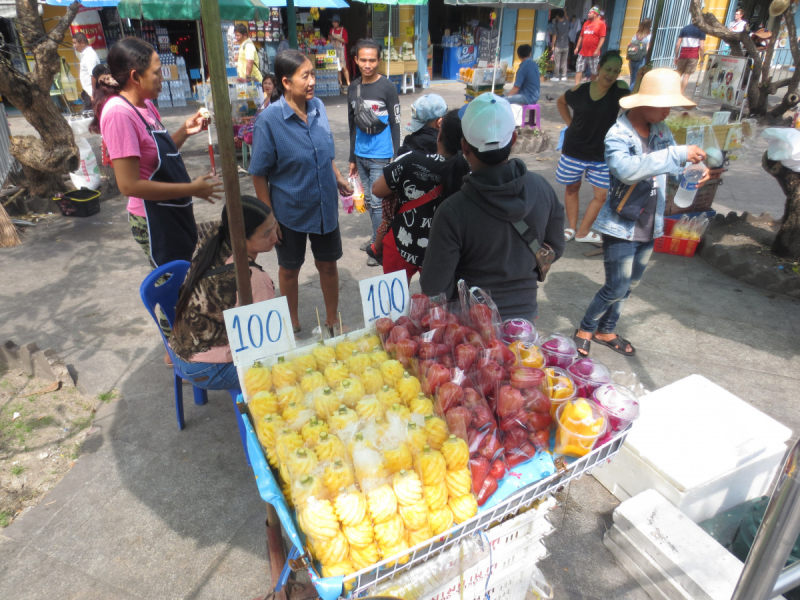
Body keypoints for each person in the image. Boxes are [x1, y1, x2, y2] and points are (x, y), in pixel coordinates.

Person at [572, 69, 709, 357]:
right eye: (663, 105)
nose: (668, 111)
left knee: (630, 284)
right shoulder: (617, 135)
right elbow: (627, 170)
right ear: (642, 103)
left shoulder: (661, 131)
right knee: (616, 285)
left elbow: (670, 166)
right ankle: (585, 328)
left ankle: (606, 329)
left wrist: (692, 169)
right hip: (621, 225)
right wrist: (679, 154)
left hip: (650, 222)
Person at [420, 94, 565, 321]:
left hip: (471, 330)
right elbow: (554, 247)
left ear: (464, 146)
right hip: (524, 318)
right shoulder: (542, 188)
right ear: (514, 138)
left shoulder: (453, 210)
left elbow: (434, 286)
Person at [249, 50, 352, 337]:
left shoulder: (317, 106)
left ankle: (333, 320)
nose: (312, 81)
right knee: (290, 269)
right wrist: (269, 217)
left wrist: (339, 178)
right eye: (305, 76)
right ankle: (291, 322)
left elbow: (325, 153)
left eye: (313, 74)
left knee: (328, 265)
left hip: (324, 206)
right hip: (289, 210)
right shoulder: (269, 121)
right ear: (286, 81)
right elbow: (259, 173)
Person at [170, 197, 279, 389]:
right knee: (286, 373)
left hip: (179, 350)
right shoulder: (252, 278)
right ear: (241, 237)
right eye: (266, 233)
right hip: (206, 368)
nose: (275, 238)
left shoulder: (215, 236)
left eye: (274, 227)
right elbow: (268, 341)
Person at [367, 109, 471, 280]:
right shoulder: (469, 173)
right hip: (441, 250)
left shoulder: (412, 160)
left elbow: (377, 190)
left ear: (439, 135)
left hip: (402, 242)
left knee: (394, 305)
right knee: (438, 303)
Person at [557, 51, 631, 244]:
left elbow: (632, 104)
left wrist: (638, 79)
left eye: (616, 71)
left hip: (600, 153)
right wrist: (569, 123)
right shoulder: (580, 90)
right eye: (608, 69)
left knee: (601, 195)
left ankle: (583, 232)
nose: (611, 74)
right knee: (572, 188)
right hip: (574, 149)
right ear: (599, 68)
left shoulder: (619, 89)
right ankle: (571, 228)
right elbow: (561, 102)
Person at [347, 38, 401, 265]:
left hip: (381, 154)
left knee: (378, 202)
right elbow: (351, 124)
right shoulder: (353, 88)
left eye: (372, 60)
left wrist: (396, 156)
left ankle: (378, 248)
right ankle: (374, 238)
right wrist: (351, 157)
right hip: (360, 154)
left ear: (379, 60)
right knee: (368, 200)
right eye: (363, 60)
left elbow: (397, 122)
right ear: (356, 60)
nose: (367, 65)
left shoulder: (388, 87)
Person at [238, 74, 280, 146]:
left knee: (248, 137)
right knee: (234, 129)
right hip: (257, 126)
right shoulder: (264, 100)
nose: (267, 86)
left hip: (265, 129)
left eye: (269, 84)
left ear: (274, 86)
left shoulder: (275, 101)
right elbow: (256, 117)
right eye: (265, 83)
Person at [574, 7, 607, 86]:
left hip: (593, 52)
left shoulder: (601, 24)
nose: (588, 14)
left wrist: (597, 50)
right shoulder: (586, 23)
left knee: (594, 71)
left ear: (595, 14)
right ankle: (576, 86)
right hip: (583, 52)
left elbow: (602, 39)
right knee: (579, 69)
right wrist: (577, 47)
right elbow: (581, 36)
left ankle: (592, 86)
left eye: (590, 13)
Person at [674, 22, 706, 93]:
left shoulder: (684, 29)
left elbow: (677, 44)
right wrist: (702, 58)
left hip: (683, 54)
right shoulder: (702, 31)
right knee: (686, 76)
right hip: (693, 56)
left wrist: (676, 56)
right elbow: (701, 47)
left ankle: (672, 90)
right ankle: (681, 93)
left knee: (678, 74)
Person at [72, 32, 101, 105]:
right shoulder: (85, 55)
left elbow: (93, 75)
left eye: (75, 43)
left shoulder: (89, 55)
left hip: (92, 92)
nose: (74, 46)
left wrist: (93, 94)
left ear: (82, 43)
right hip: (88, 91)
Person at [627, 19, 651, 86]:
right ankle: (631, 93)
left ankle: (630, 91)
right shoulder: (648, 36)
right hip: (641, 59)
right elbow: (647, 49)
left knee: (632, 79)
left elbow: (631, 45)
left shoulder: (636, 35)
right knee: (636, 80)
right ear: (649, 26)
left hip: (632, 59)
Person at [329, 15, 350, 86]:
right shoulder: (332, 30)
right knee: (336, 67)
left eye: (335, 22)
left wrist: (335, 37)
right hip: (333, 51)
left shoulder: (343, 30)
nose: (333, 23)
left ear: (338, 23)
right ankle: (340, 82)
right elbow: (329, 40)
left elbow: (345, 41)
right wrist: (330, 37)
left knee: (344, 67)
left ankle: (348, 82)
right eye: (333, 22)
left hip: (341, 51)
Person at [550, 10, 571, 82]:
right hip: (566, 46)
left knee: (557, 62)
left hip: (558, 46)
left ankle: (556, 76)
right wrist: (565, 11)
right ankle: (564, 76)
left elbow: (554, 36)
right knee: (564, 62)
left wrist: (552, 45)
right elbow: (567, 18)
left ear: (557, 16)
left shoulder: (557, 25)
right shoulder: (567, 23)